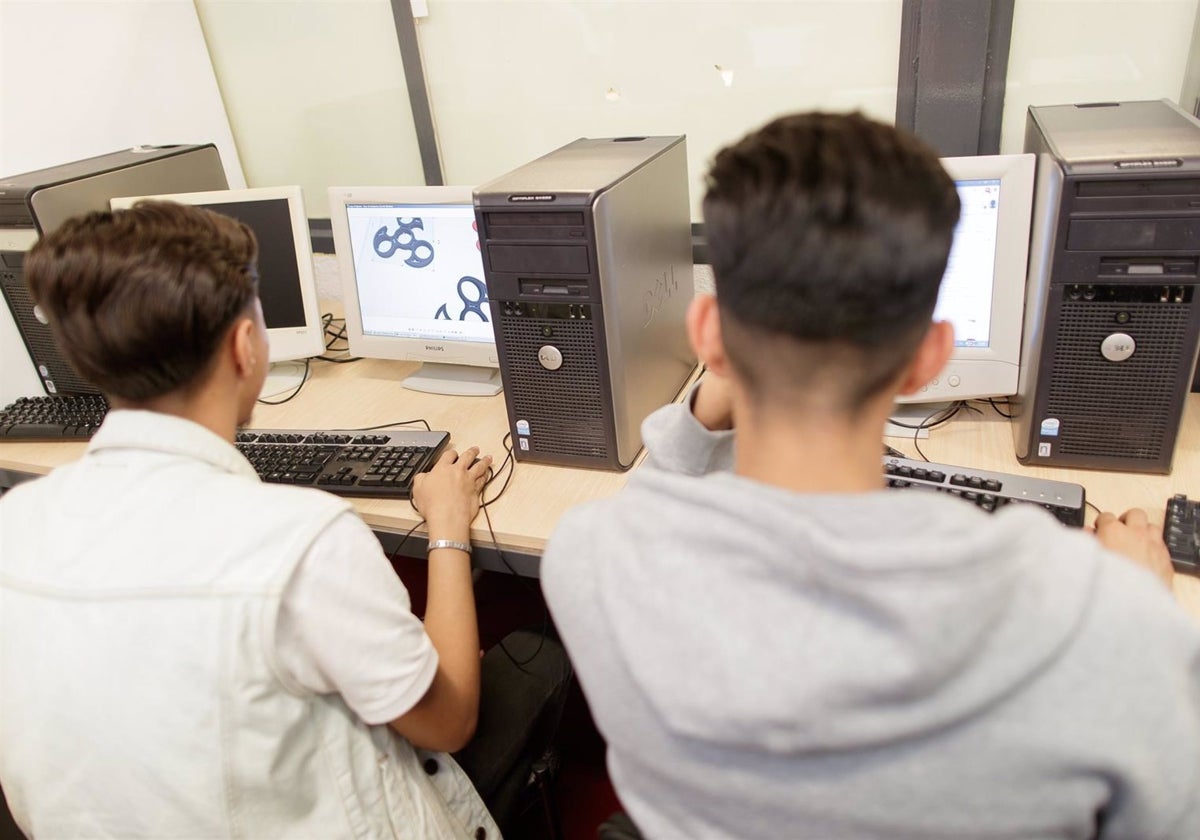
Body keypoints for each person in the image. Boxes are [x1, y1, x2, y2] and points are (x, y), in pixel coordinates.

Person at [540, 112, 1200, 839]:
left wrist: (709, 406)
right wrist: (1143, 605)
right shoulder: (1109, 624)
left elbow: (652, 512)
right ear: (928, 357)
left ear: (708, 337)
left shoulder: (588, 558)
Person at [0, 201, 570, 838]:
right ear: (246, 347)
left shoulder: (13, 522)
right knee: (539, 652)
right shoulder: (303, 542)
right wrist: (447, 526)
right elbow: (449, 720)